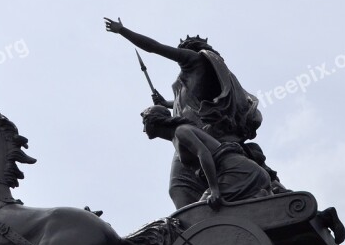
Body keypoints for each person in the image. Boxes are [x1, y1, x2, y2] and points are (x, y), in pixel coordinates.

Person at [105, 17, 284, 208]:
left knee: (184, 184)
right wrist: (165, 103)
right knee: (183, 185)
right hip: (193, 135)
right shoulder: (192, 76)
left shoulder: (194, 60)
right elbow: (192, 100)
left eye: (182, 48)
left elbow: (153, 47)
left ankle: (200, 222)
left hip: (204, 134)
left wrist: (122, 31)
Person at [140, 106, 272, 209]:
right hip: (234, 173)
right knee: (198, 210)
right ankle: (258, 197)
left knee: (199, 211)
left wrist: (214, 189)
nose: (144, 130)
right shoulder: (177, 135)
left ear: (153, 121)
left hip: (239, 172)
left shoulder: (181, 131)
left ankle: (258, 197)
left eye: (144, 123)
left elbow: (204, 154)